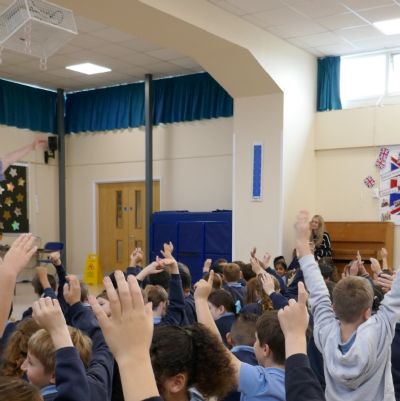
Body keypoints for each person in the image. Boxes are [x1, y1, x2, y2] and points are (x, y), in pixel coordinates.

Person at [297, 210, 400, 401]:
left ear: (334, 309)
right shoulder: (380, 330)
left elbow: (318, 292)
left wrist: (303, 243)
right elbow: (396, 297)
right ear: (368, 311)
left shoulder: (325, 333)